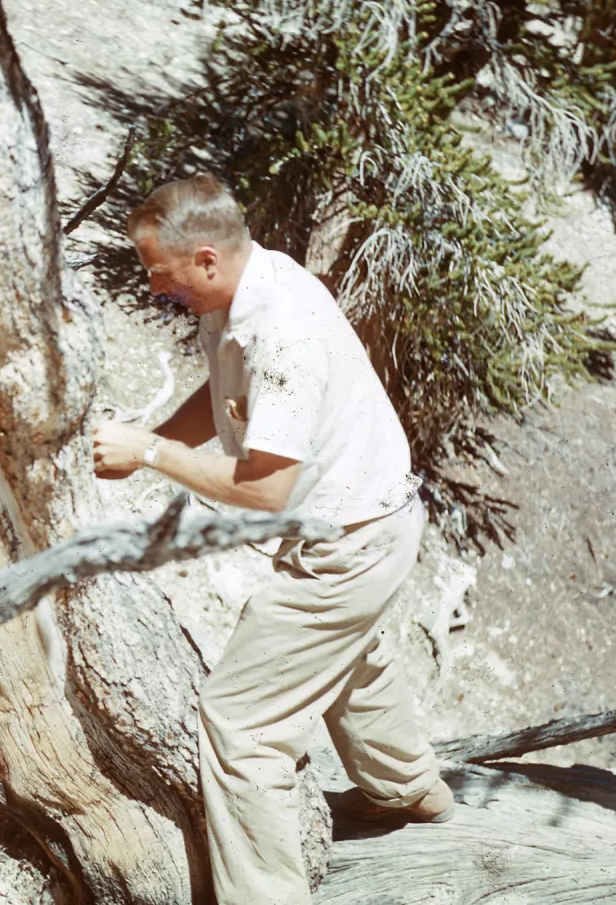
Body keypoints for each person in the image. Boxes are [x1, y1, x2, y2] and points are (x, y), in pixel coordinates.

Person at [92, 175, 452, 904]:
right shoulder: (241, 289)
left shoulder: (282, 330)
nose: (155, 287)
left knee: (241, 724)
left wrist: (151, 453)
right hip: (367, 524)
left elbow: (265, 490)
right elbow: (227, 394)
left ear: (205, 258)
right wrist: (151, 439)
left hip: (350, 541)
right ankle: (411, 790)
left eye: (160, 273)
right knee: (350, 656)